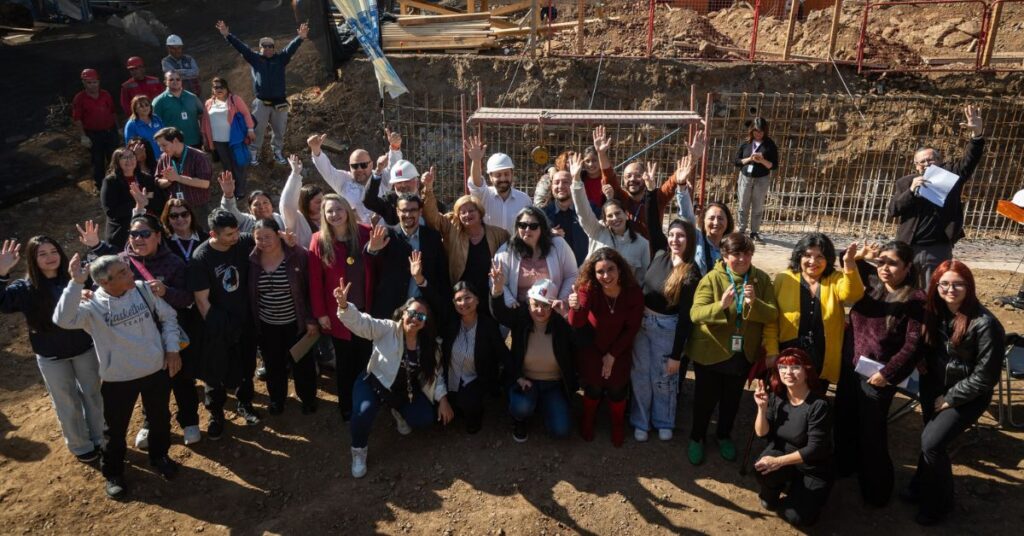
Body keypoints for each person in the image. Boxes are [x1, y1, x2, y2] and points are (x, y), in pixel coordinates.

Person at [53, 253, 182, 499]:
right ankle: (113, 473)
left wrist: (172, 348)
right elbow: (62, 319)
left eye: (127, 269)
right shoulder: (91, 307)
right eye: (122, 273)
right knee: (114, 430)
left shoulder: (143, 290)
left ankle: (160, 456)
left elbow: (168, 317)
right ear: (104, 282)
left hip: (155, 369)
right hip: (118, 378)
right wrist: (75, 284)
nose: (130, 273)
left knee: (160, 418)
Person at [78, 216, 202, 448]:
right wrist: (88, 294)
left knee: (180, 377)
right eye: (134, 234)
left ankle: (189, 420)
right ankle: (149, 424)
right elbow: (103, 289)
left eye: (145, 234)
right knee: (147, 381)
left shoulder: (173, 263)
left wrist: (166, 291)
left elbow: (187, 299)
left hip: (172, 330)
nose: (138, 239)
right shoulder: (121, 261)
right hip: (136, 338)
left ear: (158, 235)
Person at [908, 260, 1004, 526]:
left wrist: (950, 399)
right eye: (945, 283)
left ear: (969, 286)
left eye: (958, 283)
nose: (951, 289)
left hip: (967, 396)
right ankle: (919, 486)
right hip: (933, 388)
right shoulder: (935, 311)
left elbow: (986, 377)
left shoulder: (985, 325)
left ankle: (940, 504)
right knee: (928, 436)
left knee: (932, 444)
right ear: (936, 286)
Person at [334, 275, 454, 478]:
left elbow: (436, 374)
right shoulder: (388, 329)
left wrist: (443, 399)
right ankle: (359, 450)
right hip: (374, 384)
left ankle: (397, 410)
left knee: (425, 417)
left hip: (403, 390)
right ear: (403, 312)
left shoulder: (430, 347)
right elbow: (363, 324)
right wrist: (345, 306)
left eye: (421, 317)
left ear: (426, 323)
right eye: (412, 313)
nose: (415, 319)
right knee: (363, 413)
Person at [834, 241, 924, 507]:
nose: (885, 268)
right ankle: (844, 466)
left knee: (871, 433)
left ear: (908, 267)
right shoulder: (870, 280)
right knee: (844, 419)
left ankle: (876, 489)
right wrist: (863, 256)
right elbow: (846, 258)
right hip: (851, 365)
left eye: (893, 263)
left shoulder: (914, 298)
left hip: (878, 376)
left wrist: (888, 373)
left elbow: (913, 344)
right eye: (882, 261)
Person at [0, 238, 103, 463]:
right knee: (66, 401)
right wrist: (2, 273)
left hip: (83, 348)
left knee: (93, 394)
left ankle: (100, 437)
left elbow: (98, 294)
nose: (50, 257)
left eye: (53, 251)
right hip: (51, 357)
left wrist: (89, 294)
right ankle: (80, 445)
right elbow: (2, 302)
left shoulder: (74, 278)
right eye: (42, 254)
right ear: (32, 260)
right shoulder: (24, 288)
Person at [686, 232, 778, 464]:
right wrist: (721, 305)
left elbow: (773, 314)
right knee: (705, 400)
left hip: (742, 353)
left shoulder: (761, 280)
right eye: (736, 254)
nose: (743, 259)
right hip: (711, 353)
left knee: (732, 400)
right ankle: (697, 437)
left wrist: (754, 303)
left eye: (747, 254)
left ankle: (723, 435)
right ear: (725, 255)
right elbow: (695, 314)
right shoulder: (711, 279)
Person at [631, 157, 702, 442]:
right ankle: (640, 420)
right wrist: (650, 190)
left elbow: (686, 316)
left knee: (666, 378)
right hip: (643, 322)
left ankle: (664, 421)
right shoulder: (659, 251)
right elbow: (650, 220)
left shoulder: (691, 272)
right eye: (672, 234)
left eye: (681, 236)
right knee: (641, 374)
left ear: (689, 240)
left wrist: (677, 354)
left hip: (668, 327)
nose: (674, 239)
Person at [887, 105, 984, 287]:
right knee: (904, 290)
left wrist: (976, 136)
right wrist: (911, 192)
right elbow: (893, 210)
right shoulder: (905, 182)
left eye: (931, 159)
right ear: (916, 166)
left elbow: (970, 161)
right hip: (908, 247)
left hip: (937, 248)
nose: (926, 163)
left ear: (940, 161)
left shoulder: (951, 176)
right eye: (922, 161)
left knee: (934, 291)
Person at [188, 210, 261, 438]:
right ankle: (216, 414)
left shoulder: (242, 242)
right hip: (217, 326)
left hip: (245, 321)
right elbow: (202, 302)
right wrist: (224, 328)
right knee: (215, 373)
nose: (235, 236)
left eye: (236, 230)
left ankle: (245, 404)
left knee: (246, 366)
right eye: (229, 234)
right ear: (213, 234)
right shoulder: (201, 258)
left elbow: (262, 236)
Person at [763, 233, 863, 388]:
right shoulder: (784, 278)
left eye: (820, 257)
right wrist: (771, 350)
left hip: (822, 355)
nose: (813, 262)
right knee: (783, 397)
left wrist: (849, 264)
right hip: (788, 353)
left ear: (828, 259)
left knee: (815, 397)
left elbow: (853, 294)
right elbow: (772, 319)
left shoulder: (834, 278)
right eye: (807, 255)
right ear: (798, 256)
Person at [568, 248, 644, 446]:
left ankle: (617, 424)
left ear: (620, 269)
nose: (606, 276)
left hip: (620, 347)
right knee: (593, 387)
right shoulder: (587, 288)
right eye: (600, 271)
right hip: (593, 346)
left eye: (611, 269)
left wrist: (613, 354)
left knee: (618, 389)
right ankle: (588, 419)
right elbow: (577, 322)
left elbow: (632, 328)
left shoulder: (632, 291)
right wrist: (575, 307)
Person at [490, 273, 578, 443]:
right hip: (526, 381)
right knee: (521, 407)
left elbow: (581, 340)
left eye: (546, 305)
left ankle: (544, 405)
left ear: (553, 305)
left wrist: (568, 317)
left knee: (561, 430)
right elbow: (500, 314)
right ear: (528, 303)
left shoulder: (560, 321)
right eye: (535, 304)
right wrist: (498, 289)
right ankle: (520, 419)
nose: (539, 310)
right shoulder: (521, 318)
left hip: (553, 383)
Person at [308, 194, 373, 419]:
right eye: (329, 211)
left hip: (365, 310)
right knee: (345, 362)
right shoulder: (319, 240)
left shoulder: (365, 232)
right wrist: (320, 313)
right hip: (338, 314)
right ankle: (346, 406)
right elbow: (315, 280)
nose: (334, 215)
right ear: (324, 216)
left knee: (366, 358)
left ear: (347, 211)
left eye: (338, 209)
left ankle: (367, 403)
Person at [753, 348, 833, 527]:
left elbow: (815, 449)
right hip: (784, 453)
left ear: (807, 371)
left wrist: (778, 462)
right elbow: (762, 433)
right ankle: (773, 491)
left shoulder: (819, 405)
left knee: (796, 517)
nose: (788, 372)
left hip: (812, 465)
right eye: (782, 367)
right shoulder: (777, 397)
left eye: (795, 367)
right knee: (761, 468)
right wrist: (762, 408)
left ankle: (803, 491)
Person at [248, 218, 319, 414]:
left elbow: (310, 289)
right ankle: (277, 400)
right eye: (259, 238)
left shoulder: (297, 256)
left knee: (302, 363)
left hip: (296, 322)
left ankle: (308, 398)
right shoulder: (252, 261)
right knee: (273, 365)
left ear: (279, 235)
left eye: (268, 236)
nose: (263, 242)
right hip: (267, 323)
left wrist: (311, 318)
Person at [216, 19, 308, 165]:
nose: (267, 48)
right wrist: (227, 35)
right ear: (260, 48)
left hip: (279, 103)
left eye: (270, 46)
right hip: (261, 103)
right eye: (264, 46)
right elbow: (242, 48)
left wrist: (300, 38)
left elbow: (291, 48)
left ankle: (277, 152)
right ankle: (254, 153)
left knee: (279, 131)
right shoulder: (255, 59)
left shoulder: (281, 59)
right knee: (257, 130)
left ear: (273, 47)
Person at [599, 127, 706, 239]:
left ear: (645, 177)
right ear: (623, 180)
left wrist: (692, 159)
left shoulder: (657, 198)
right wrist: (601, 153)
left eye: (637, 175)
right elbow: (609, 177)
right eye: (628, 176)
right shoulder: (622, 199)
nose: (632, 179)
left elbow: (675, 180)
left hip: (652, 254)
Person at [421, 167, 509, 302]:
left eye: (471, 210)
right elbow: (432, 218)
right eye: (462, 212)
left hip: (488, 294)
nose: (467, 215)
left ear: (480, 213)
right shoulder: (451, 226)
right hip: (459, 295)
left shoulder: (499, 235)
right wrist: (428, 189)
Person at [364, 194, 450, 320]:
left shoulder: (432, 237)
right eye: (404, 210)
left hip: (422, 311)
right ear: (397, 212)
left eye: (413, 210)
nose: (408, 215)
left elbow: (441, 274)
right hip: (390, 310)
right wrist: (371, 249)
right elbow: (368, 260)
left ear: (420, 212)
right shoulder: (387, 234)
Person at [569, 152, 650, 281]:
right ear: (605, 220)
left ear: (626, 215)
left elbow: (641, 280)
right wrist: (577, 180)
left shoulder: (642, 244)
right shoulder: (597, 232)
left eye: (618, 213)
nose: (614, 218)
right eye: (610, 216)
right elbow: (583, 212)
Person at [441, 281, 507, 433]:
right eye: (458, 299)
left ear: (477, 299)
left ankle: (475, 408)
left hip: (474, 379)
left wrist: (518, 376)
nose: (463, 303)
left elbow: (502, 352)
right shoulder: (450, 323)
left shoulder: (488, 325)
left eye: (467, 298)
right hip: (450, 378)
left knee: (469, 405)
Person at [307, 130, 405, 225]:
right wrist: (316, 150)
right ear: (349, 167)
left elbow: (394, 167)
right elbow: (327, 171)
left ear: (371, 165)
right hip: (355, 235)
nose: (359, 169)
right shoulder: (344, 181)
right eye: (354, 166)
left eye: (363, 165)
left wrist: (395, 147)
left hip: (383, 234)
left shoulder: (382, 177)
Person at [493, 206, 579, 308]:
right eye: (522, 225)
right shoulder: (506, 250)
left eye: (533, 226)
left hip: (552, 309)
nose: (527, 230)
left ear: (542, 228)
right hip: (519, 309)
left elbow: (571, 275)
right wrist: (511, 303)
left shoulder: (558, 244)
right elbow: (498, 281)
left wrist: (561, 300)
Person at [101, 147, 166, 250]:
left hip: (150, 228)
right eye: (124, 157)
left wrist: (145, 200)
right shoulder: (111, 181)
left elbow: (159, 201)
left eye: (131, 156)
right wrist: (137, 202)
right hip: (124, 232)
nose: (129, 160)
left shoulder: (146, 178)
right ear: (117, 161)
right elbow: (111, 211)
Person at [464, 136, 532, 233]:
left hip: (515, 247)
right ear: (490, 177)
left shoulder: (524, 200)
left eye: (506, 174)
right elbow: (476, 184)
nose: (503, 178)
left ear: (512, 174)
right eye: (498, 175)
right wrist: (476, 160)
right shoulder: (484, 195)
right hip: (489, 247)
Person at [201, 77, 255, 198]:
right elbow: (205, 122)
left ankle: (240, 190)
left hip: (235, 140)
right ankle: (231, 190)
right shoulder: (209, 103)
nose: (219, 89)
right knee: (227, 167)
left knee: (238, 165)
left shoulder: (234, 99)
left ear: (226, 88)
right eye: (216, 87)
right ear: (212, 89)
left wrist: (250, 129)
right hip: (218, 141)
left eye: (221, 87)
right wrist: (205, 138)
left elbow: (246, 114)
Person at [154, 127, 213, 224]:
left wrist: (178, 178)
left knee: (203, 236)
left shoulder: (199, 156)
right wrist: (169, 181)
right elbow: (158, 181)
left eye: (164, 145)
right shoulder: (163, 158)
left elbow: (205, 183)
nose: (161, 149)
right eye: (160, 146)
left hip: (198, 208)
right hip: (175, 210)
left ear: (175, 141)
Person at [734, 117, 779, 242]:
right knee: (743, 204)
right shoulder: (745, 143)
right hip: (745, 178)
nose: (758, 134)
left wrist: (762, 160)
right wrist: (750, 159)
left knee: (758, 206)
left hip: (761, 179)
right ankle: (741, 230)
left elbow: (774, 165)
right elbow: (737, 161)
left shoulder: (770, 145)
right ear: (752, 131)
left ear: (765, 131)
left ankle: (754, 232)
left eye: (761, 132)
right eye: (756, 131)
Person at [72, 68, 118, 190]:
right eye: (89, 82)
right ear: (83, 83)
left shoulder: (105, 94)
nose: (92, 85)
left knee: (114, 158)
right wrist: (83, 136)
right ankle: (101, 186)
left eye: (94, 82)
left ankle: (117, 182)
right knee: (97, 161)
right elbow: (77, 119)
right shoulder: (79, 98)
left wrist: (117, 128)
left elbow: (113, 112)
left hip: (110, 131)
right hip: (93, 134)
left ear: (98, 81)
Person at [363, 159, 441, 226]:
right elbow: (369, 201)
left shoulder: (430, 202)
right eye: (398, 182)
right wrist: (378, 171)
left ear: (417, 181)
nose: (403, 185)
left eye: (407, 181)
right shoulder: (390, 201)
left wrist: (428, 188)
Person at [676, 193, 734, 277]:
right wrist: (682, 188)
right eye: (711, 218)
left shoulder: (732, 245)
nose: (716, 223)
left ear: (727, 221)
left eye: (720, 218)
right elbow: (686, 217)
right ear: (703, 220)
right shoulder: (696, 239)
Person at [540, 169, 590, 266]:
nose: (560, 186)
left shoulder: (589, 210)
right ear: (551, 187)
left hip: (583, 270)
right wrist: (546, 234)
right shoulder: (541, 214)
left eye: (566, 182)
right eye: (556, 183)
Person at [152, 70, 205, 149]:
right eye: (171, 79)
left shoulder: (192, 97)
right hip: (173, 144)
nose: (175, 81)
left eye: (178, 79)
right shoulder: (159, 101)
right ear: (165, 82)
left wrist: (204, 135)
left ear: (181, 81)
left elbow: (202, 116)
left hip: (195, 141)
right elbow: (154, 123)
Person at [280, 155, 324, 250]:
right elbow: (286, 205)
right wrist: (295, 174)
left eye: (324, 200)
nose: (323, 204)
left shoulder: (330, 217)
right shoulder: (297, 220)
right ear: (305, 203)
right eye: (318, 202)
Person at [217, 172, 284, 233]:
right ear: (250, 210)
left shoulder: (282, 219)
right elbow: (229, 212)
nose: (262, 206)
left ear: (272, 206)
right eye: (256, 204)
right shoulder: (246, 221)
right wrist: (228, 194)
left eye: (265, 202)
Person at [160, 198, 205, 263]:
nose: (180, 219)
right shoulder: (163, 242)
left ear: (191, 216)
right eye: (174, 216)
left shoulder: (205, 238)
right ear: (168, 220)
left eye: (184, 214)